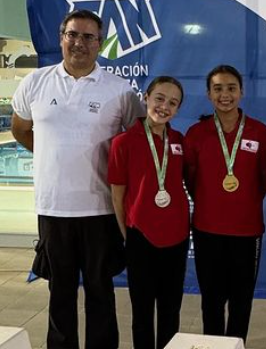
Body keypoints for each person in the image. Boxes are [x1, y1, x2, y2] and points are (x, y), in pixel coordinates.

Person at [10, 9, 144, 349]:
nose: (79, 43)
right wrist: (51, 159)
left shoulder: (119, 90)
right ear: (61, 38)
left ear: (100, 44)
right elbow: (21, 129)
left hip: (100, 209)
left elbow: (136, 142)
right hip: (53, 209)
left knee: (101, 292)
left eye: (88, 37)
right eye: (72, 35)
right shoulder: (35, 82)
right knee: (60, 294)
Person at [184, 65, 266, 341]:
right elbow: (190, 178)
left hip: (247, 232)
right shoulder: (196, 133)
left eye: (231, 88)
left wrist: (241, 204)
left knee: (241, 300)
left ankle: (236, 346)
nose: (225, 94)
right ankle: (213, 345)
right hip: (206, 229)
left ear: (242, 92)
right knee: (210, 300)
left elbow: (265, 180)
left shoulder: (260, 133)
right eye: (218, 89)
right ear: (209, 94)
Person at [108, 76, 190, 349]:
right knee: (142, 313)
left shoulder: (179, 141)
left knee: (171, 311)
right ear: (146, 97)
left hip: (177, 238)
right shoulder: (123, 142)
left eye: (172, 102)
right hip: (140, 237)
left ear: (177, 109)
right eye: (159, 98)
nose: (164, 106)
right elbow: (117, 195)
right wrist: (127, 235)